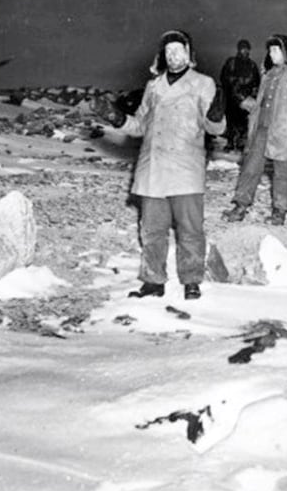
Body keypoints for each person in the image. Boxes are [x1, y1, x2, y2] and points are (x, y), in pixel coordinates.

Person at [93, 29, 226, 300]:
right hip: (153, 168)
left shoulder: (203, 83)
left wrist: (216, 115)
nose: (174, 56)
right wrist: (117, 119)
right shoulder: (153, 86)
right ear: (162, 56)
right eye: (169, 51)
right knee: (152, 229)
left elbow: (215, 127)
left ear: (190, 55)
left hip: (185, 167)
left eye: (179, 50)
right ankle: (153, 280)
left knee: (190, 229)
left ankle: (191, 280)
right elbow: (141, 125)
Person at [222, 34, 287, 226]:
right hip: (261, 129)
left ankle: (279, 211)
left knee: (282, 173)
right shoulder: (267, 76)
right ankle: (240, 206)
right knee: (250, 168)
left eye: (276, 50)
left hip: (284, 131)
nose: (272, 54)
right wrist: (244, 102)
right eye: (270, 50)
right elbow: (262, 105)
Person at [218, 39, 261, 152]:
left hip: (245, 98)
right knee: (231, 121)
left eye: (247, 49)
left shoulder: (252, 65)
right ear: (238, 49)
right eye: (242, 48)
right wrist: (236, 84)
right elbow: (224, 77)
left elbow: (256, 81)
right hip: (231, 98)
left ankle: (241, 143)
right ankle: (230, 142)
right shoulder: (231, 62)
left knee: (243, 122)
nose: (245, 51)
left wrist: (250, 92)